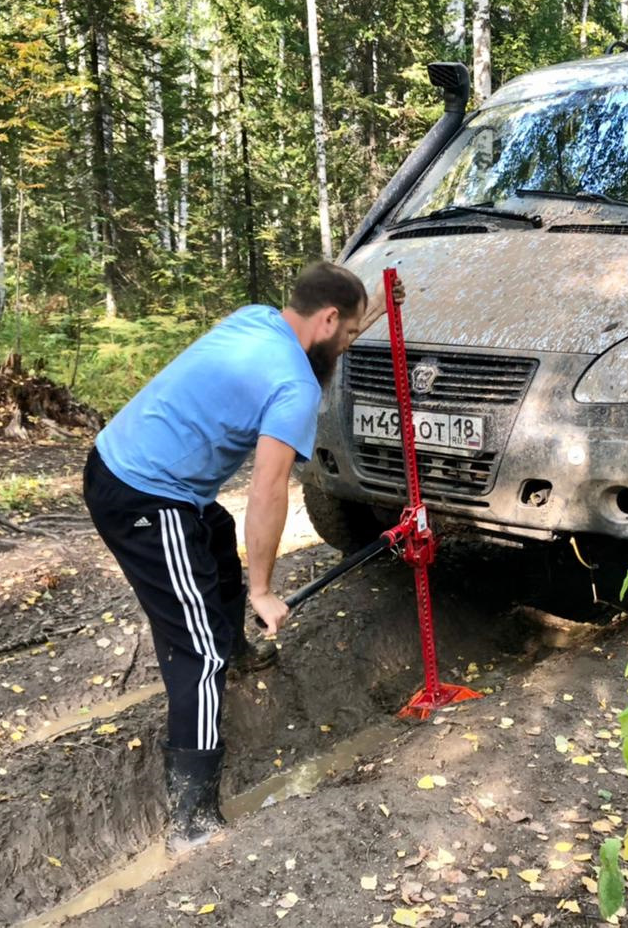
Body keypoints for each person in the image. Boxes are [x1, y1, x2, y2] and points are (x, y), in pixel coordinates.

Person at [82, 260, 403, 853]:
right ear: (329, 319)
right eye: (352, 333)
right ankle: (193, 819)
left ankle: (235, 647)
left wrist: (372, 307)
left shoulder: (258, 319)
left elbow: (325, 326)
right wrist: (262, 589)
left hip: (125, 464)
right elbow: (268, 489)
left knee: (215, 528)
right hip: (144, 497)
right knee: (196, 650)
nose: (350, 343)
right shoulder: (295, 387)